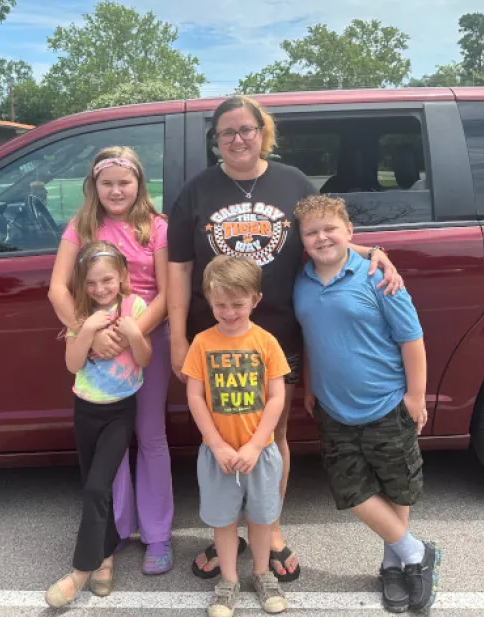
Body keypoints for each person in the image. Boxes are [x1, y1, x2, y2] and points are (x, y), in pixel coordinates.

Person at [167, 94, 403, 581]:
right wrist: (176, 337)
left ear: (262, 133)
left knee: (273, 436)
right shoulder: (196, 190)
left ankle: (269, 527)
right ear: (216, 140)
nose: (237, 139)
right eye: (227, 132)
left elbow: (322, 235)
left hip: (277, 334)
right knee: (221, 433)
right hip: (215, 336)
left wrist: (371, 250)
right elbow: (179, 269)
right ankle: (225, 530)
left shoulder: (292, 182)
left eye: (246, 130)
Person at [293, 195, 441, 614]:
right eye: (312, 232)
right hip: (333, 409)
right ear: (302, 240)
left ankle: (395, 565)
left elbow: (411, 339)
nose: (322, 238)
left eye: (330, 229)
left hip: (387, 403)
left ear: (350, 232)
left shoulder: (378, 277)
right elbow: (311, 337)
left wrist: (415, 397)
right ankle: (417, 553)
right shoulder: (302, 281)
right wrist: (309, 384)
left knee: (396, 487)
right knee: (353, 492)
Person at [49, 146, 173, 575]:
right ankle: (114, 528)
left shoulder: (156, 227)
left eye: (125, 182)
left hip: (145, 340)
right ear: (94, 185)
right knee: (109, 443)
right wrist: (88, 332)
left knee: (151, 436)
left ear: (139, 183)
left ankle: (158, 534)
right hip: (96, 345)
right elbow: (58, 289)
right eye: (107, 183)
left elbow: (167, 292)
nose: (116, 190)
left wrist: (128, 332)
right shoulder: (81, 225)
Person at [45, 242, 152, 608]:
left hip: (120, 412)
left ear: (121, 276)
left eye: (107, 280)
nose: (100, 288)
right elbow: (73, 365)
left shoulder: (134, 307)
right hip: (85, 409)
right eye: (91, 282)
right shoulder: (81, 312)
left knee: (96, 487)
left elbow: (144, 358)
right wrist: (87, 328)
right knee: (94, 486)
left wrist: (134, 334)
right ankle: (105, 559)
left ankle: (80, 570)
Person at [182, 255, 290, 617]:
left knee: (261, 519)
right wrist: (216, 444)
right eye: (220, 305)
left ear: (255, 300)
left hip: (261, 453)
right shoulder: (202, 343)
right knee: (224, 522)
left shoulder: (266, 342)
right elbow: (195, 397)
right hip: (218, 455)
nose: (229, 312)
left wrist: (256, 445)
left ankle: (261, 574)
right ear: (209, 300)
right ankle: (228, 580)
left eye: (238, 305)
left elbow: (276, 398)